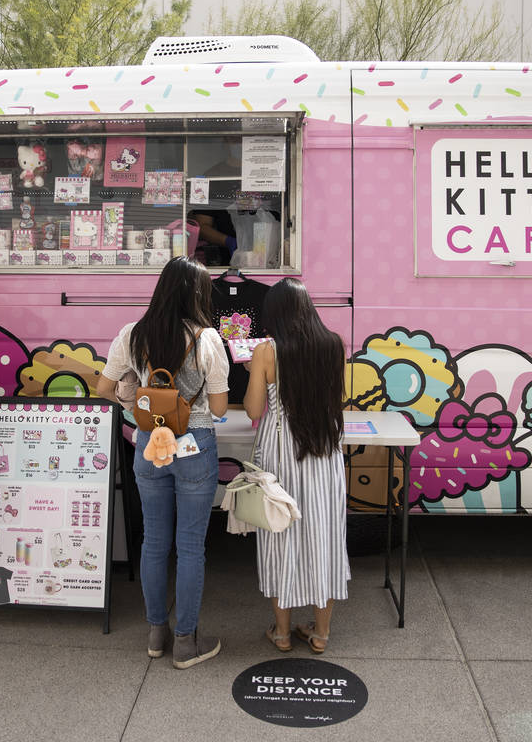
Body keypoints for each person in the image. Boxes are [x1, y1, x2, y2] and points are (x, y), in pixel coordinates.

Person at [96, 256, 230, 669]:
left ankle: (157, 633)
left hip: (147, 445)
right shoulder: (207, 339)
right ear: (198, 294)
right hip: (194, 444)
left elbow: (105, 388)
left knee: (153, 542)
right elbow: (221, 407)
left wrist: (130, 394)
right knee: (190, 546)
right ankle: (187, 642)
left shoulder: (132, 334)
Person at [243, 277, 349, 655]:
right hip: (322, 451)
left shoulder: (266, 351)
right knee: (324, 536)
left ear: (275, 313)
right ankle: (320, 634)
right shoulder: (333, 345)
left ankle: (283, 633)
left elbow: (255, 410)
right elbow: (337, 401)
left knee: (280, 535)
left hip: (281, 456)